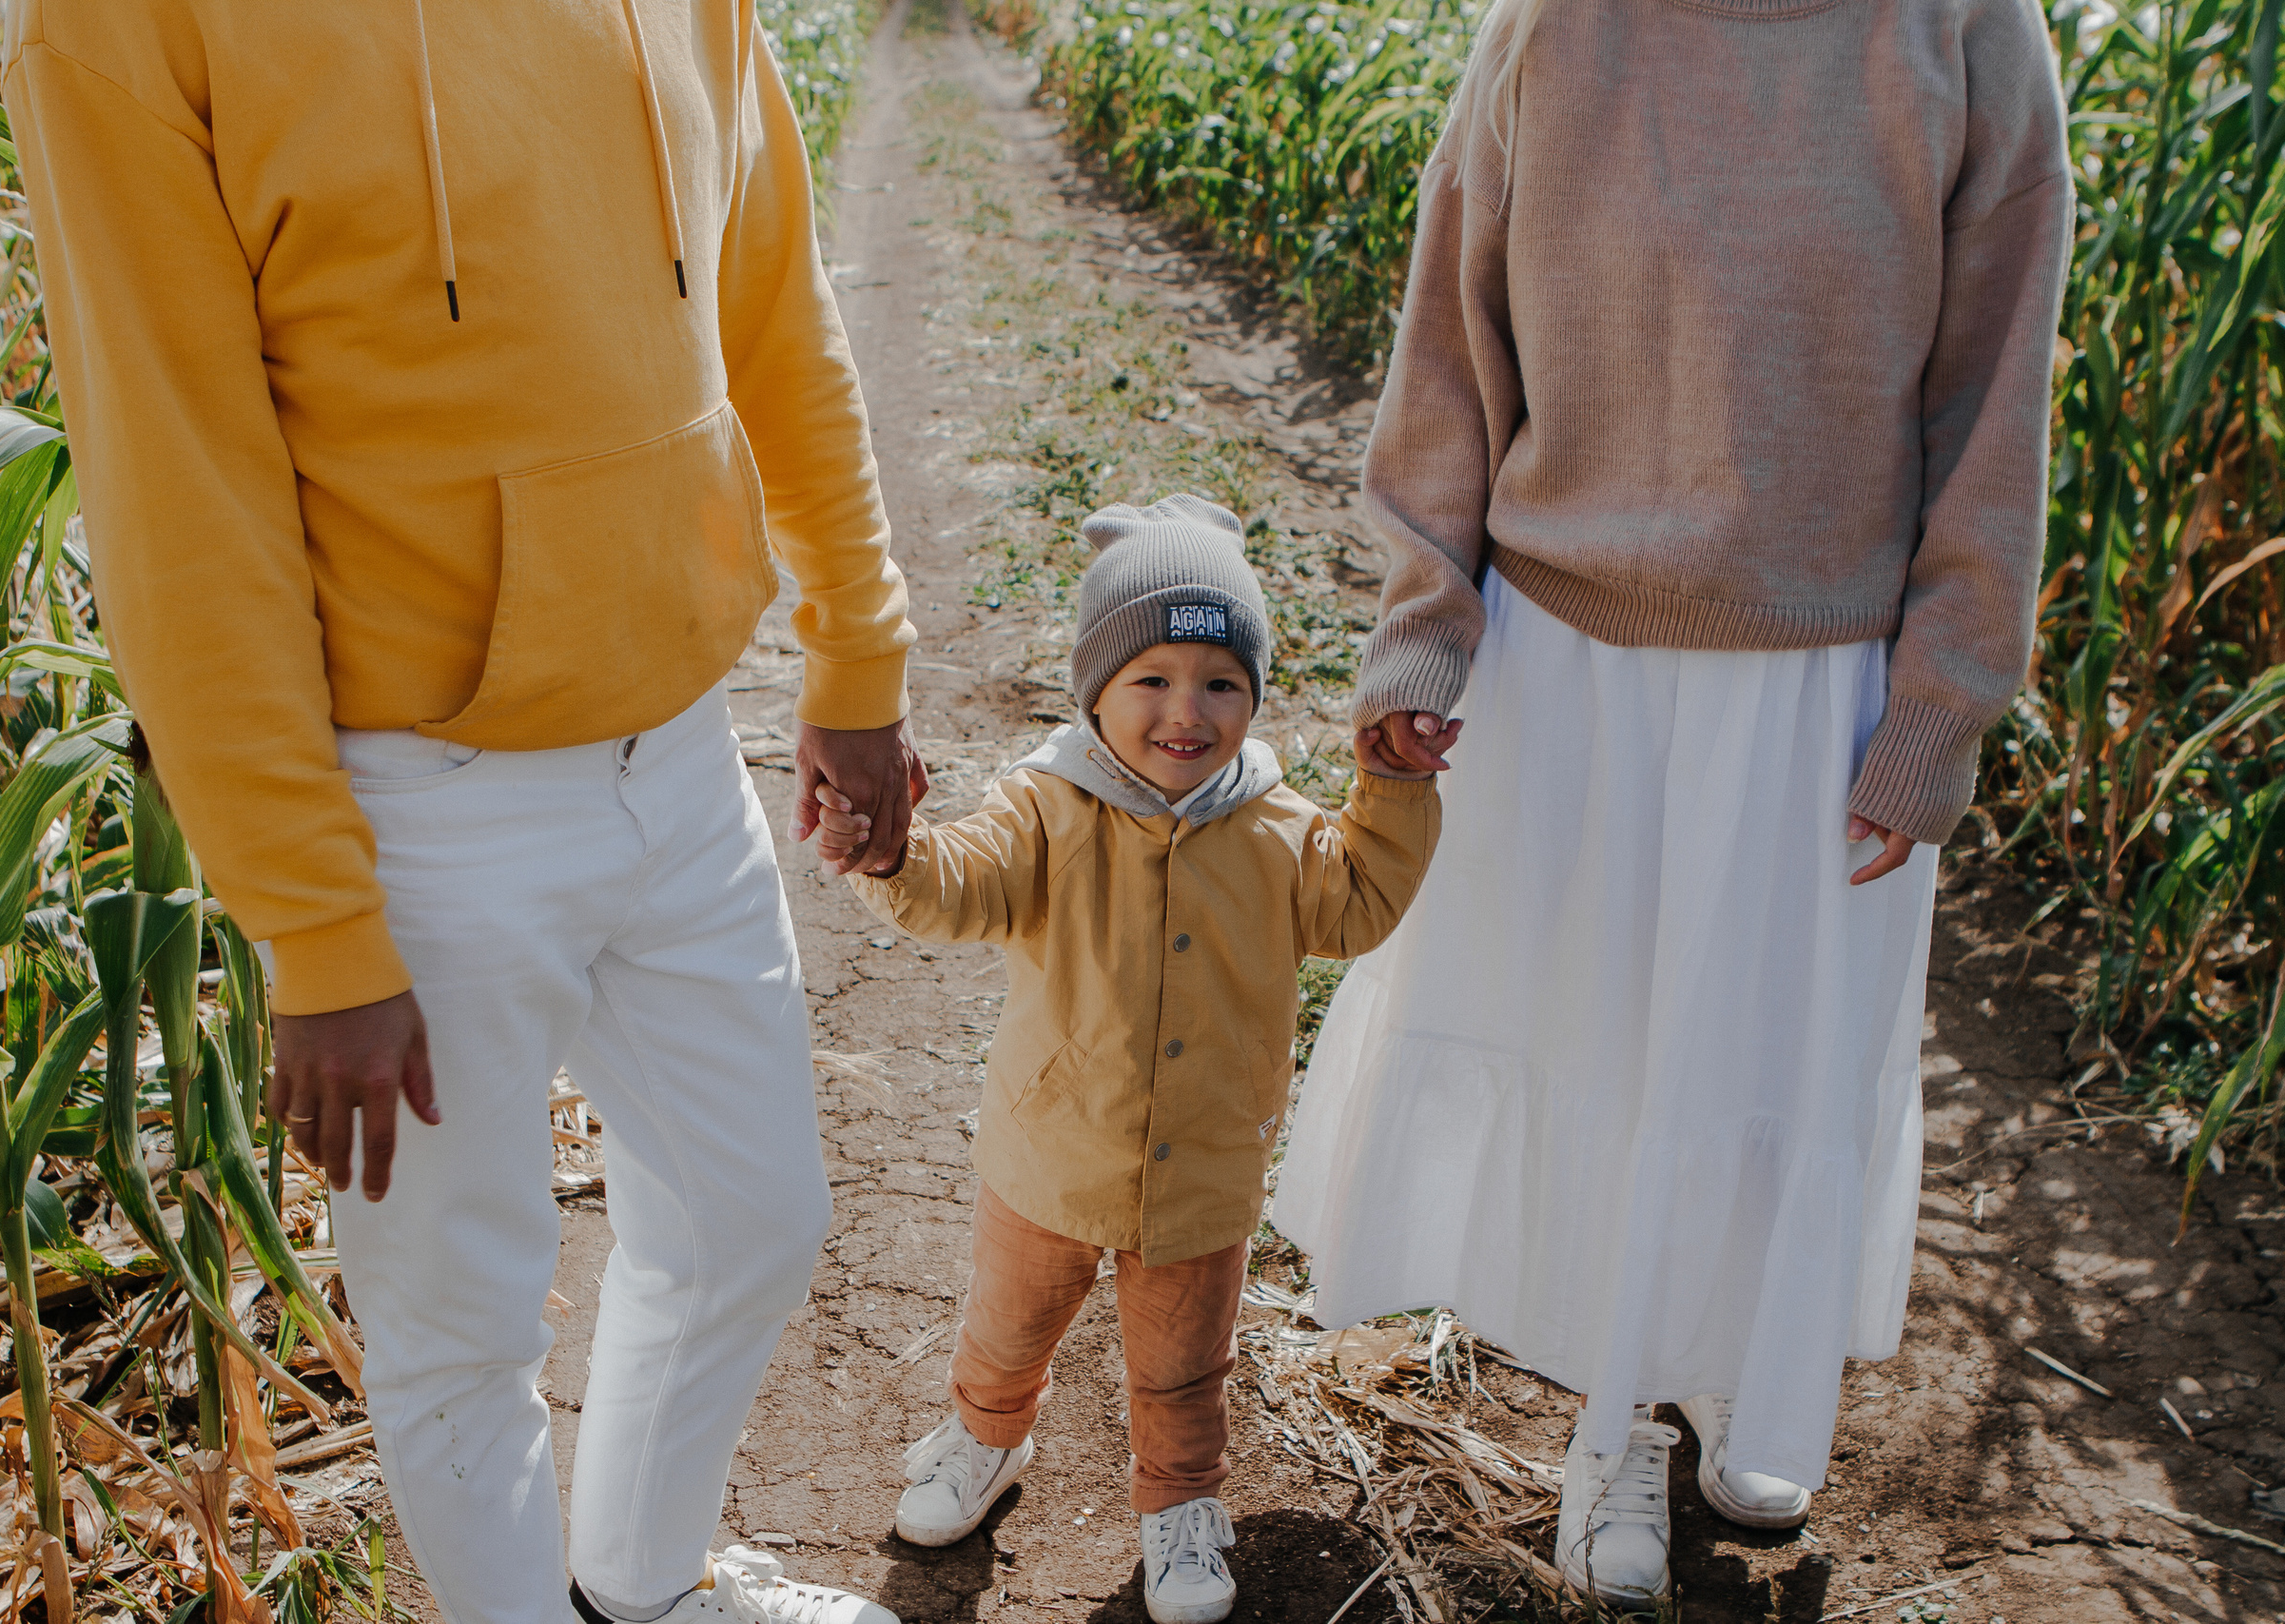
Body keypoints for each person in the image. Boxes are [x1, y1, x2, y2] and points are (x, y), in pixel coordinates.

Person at [4, 6, 923, 1622]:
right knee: (461, 1341)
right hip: (410, 801)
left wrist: (858, 648)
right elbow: (179, 487)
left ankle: (640, 1585)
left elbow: (773, 296)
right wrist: (316, 918)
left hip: (683, 752)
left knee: (754, 1223)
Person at [1270, 0, 2073, 1605]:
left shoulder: (1964, 29)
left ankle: (1728, 1372)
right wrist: (1427, 623)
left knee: (1768, 1055)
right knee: (1613, 1040)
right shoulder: (1558, 23)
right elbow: (1454, 327)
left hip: (1825, 671)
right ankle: (1617, 1415)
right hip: (1573, 652)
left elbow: (1998, 396)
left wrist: (1941, 705)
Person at [814, 496, 1441, 1624]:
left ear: (1253, 697)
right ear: (1095, 688)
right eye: (1150, 678)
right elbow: (960, 887)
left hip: (1201, 1172)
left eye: (1219, 682)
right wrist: (897, 851)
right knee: (1005, 1329)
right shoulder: (1045, 807)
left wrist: (1392, 790)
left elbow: (1357, 906)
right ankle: (985, 1440)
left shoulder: (1277, 827)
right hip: (1049, 1151)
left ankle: (1180, 1504)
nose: (1184, 711)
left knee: (1182, 1367)